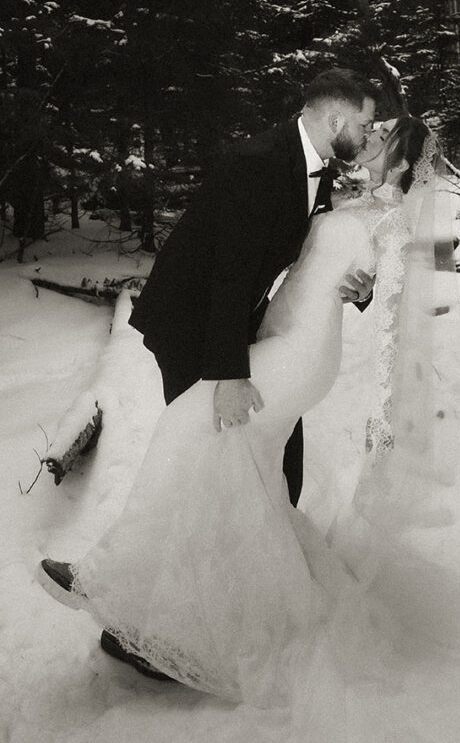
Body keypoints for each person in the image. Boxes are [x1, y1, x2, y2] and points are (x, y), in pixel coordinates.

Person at [38, 115, 436, 701]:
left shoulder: (389, 215)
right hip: (278, 339)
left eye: (383, 136)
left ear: (401, 163)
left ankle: (109, 580)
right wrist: (358, 279)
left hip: (298, 352)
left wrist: (370, 286)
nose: (370, 134)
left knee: (187, 430)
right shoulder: (341, 188)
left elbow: (399, 283)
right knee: (236, 475)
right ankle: (194, 613)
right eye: (372, 126)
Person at [127, 66, 378, 508]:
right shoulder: (259, 162)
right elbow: (230, 270)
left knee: (281, 449)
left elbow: (306, 251)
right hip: (188, 321)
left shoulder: (314, 165)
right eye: (364, 125)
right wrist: (230, 375)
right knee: (198, 454)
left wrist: (356, 288)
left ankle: (265, 561)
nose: (368, 134)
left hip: (233, 316)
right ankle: (135, 570)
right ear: (336, 121)